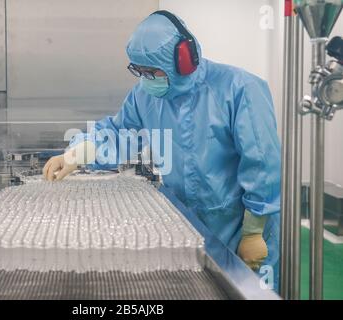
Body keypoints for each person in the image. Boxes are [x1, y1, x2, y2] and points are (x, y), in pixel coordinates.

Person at [43, 10, 281, 291]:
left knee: (250, 291)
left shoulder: (240, 89)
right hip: (186, 222)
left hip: (239, 224)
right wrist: (74, 156)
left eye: (153, 72)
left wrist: (253, 231)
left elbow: (261, 164)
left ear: (184, 59)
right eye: (139, 71)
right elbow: (119, 132)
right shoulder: (145, 95)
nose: (145, 79)